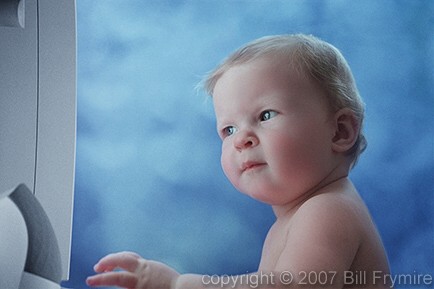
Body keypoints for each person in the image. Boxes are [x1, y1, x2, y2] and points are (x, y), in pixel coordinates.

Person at [86, 34, 391, 288]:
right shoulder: (298, 217)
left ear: (340, 131)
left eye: (265, 115)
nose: (240, 139)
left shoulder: (328, 210)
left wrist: (180, 285)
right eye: (228, 129)